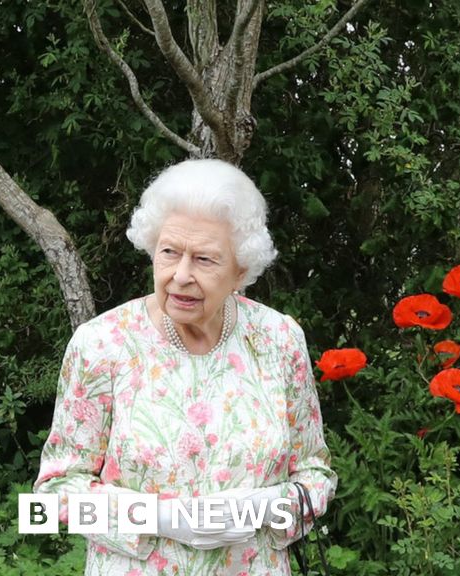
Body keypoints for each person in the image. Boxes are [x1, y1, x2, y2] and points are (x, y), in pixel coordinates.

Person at [34, 159, 338, 575]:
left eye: (204, 260)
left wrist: (264, 507)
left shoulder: (279, 340)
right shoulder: (102, 344)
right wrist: (161, 519)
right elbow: (51, 497)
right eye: (169, 252)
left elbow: (315, 477)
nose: (180, 275)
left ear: (241, 270)